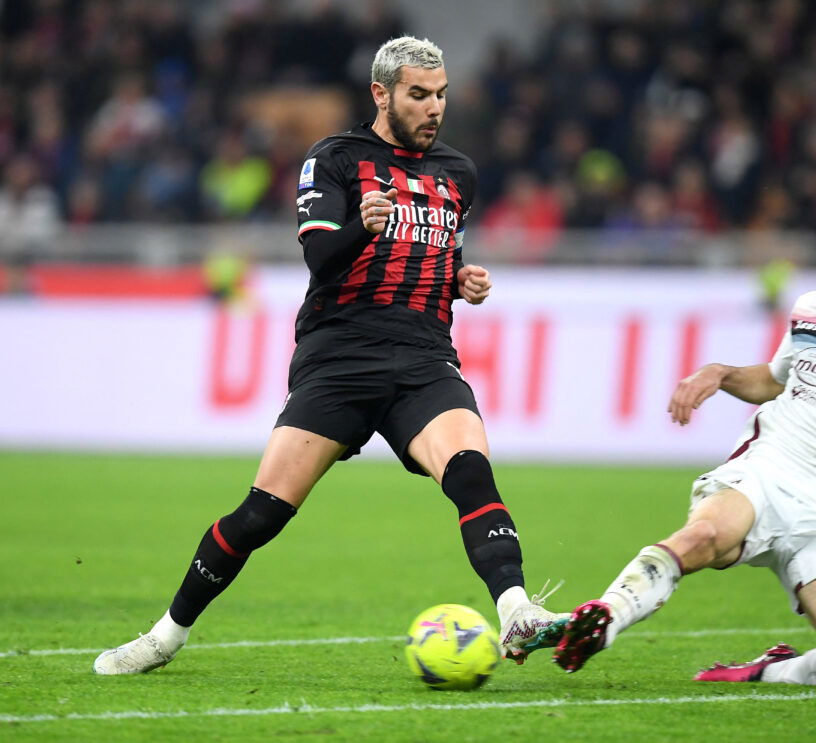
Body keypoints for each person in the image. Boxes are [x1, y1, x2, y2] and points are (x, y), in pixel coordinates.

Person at [93, 36, 565, 675]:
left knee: (471, 471)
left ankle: (516, 612)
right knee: (262, 513)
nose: (434, 108)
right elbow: (320, 258)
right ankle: (165, 636)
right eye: (419, 95)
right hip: (340, 357)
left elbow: (435, 249)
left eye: (441, 95)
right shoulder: (336, 159)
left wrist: (459, 279)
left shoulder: (459, 173)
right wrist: (361, 227)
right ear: (382, 94)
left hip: (424, 357)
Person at [547, 196, 816, 687]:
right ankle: (607, 616)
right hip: (768, 471)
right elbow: (774, 380)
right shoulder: (811, 310)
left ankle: (766, 671)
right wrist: (719, 373)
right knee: (705, 536)